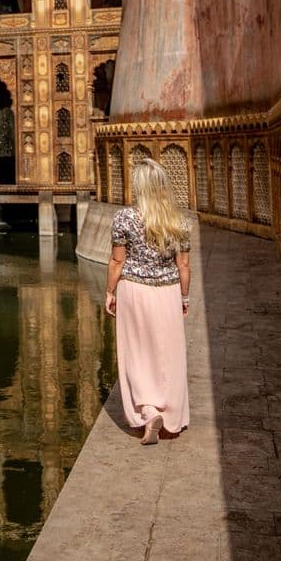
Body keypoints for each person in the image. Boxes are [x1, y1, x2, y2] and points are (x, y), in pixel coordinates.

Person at [105, 158, 191, 445]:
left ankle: (148, 410)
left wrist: (110, 292)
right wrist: (184, 297)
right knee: (169, 354)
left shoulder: (124, 218)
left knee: (137, 355)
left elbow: (118, 261)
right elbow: (184, 266)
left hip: (134, 291)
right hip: (167, 290)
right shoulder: (178, 220)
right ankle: (171, 420)